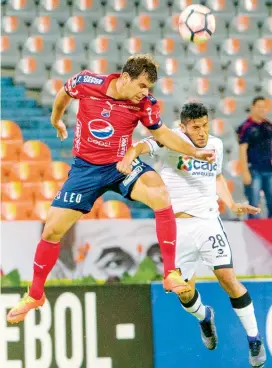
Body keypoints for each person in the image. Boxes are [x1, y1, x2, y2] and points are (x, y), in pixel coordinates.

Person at [7, 54, 215, 324]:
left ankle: (169, 273)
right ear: (125, 78)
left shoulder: (145, 104)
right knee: (52, 230)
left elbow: (162, 134)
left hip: (120, 167)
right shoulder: (87, 82)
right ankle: (35, 294)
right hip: (86, 170)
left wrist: (195, 153)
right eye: (141, 85)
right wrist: (56, 119)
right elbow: (63, 93)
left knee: (160, 195)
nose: (145, 92)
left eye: (149, 88)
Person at [118, 102, 266, 367]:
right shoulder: (170, 140)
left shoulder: (216, 145)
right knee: (185, 293)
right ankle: (204, 318)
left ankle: (255, 339)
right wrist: (130, 155)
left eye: (205, 125)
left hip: (208, 222)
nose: (201, 132)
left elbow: (217, 177)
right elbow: (143, 146)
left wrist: (231, 204)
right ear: (183, 127)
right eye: (195, 127)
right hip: (176, 228)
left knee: (228, 278)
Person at [237, 96, 272, 219]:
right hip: (254, 170)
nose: (262, 109)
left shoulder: (268, 125)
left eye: (264, 107)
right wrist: (245, 171)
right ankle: (253, 232)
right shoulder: (246, 127)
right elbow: (242, 150)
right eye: (259, 107)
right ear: (253, 108)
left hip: (269, 169)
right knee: (253, 204)